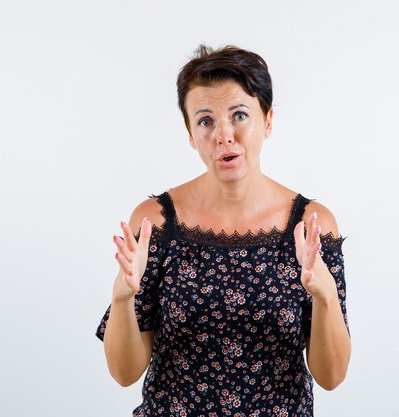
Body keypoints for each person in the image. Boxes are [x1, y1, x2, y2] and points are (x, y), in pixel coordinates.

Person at [95, 44, 351, 417]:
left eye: (239, 115)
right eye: (206, 121)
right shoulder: (156, 222)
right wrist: (122, 300)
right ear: (190, 133)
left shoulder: (311, 226)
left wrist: (325, 295)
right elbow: (124, 373)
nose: (223, 135)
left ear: (267, 121)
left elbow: (332, 376)